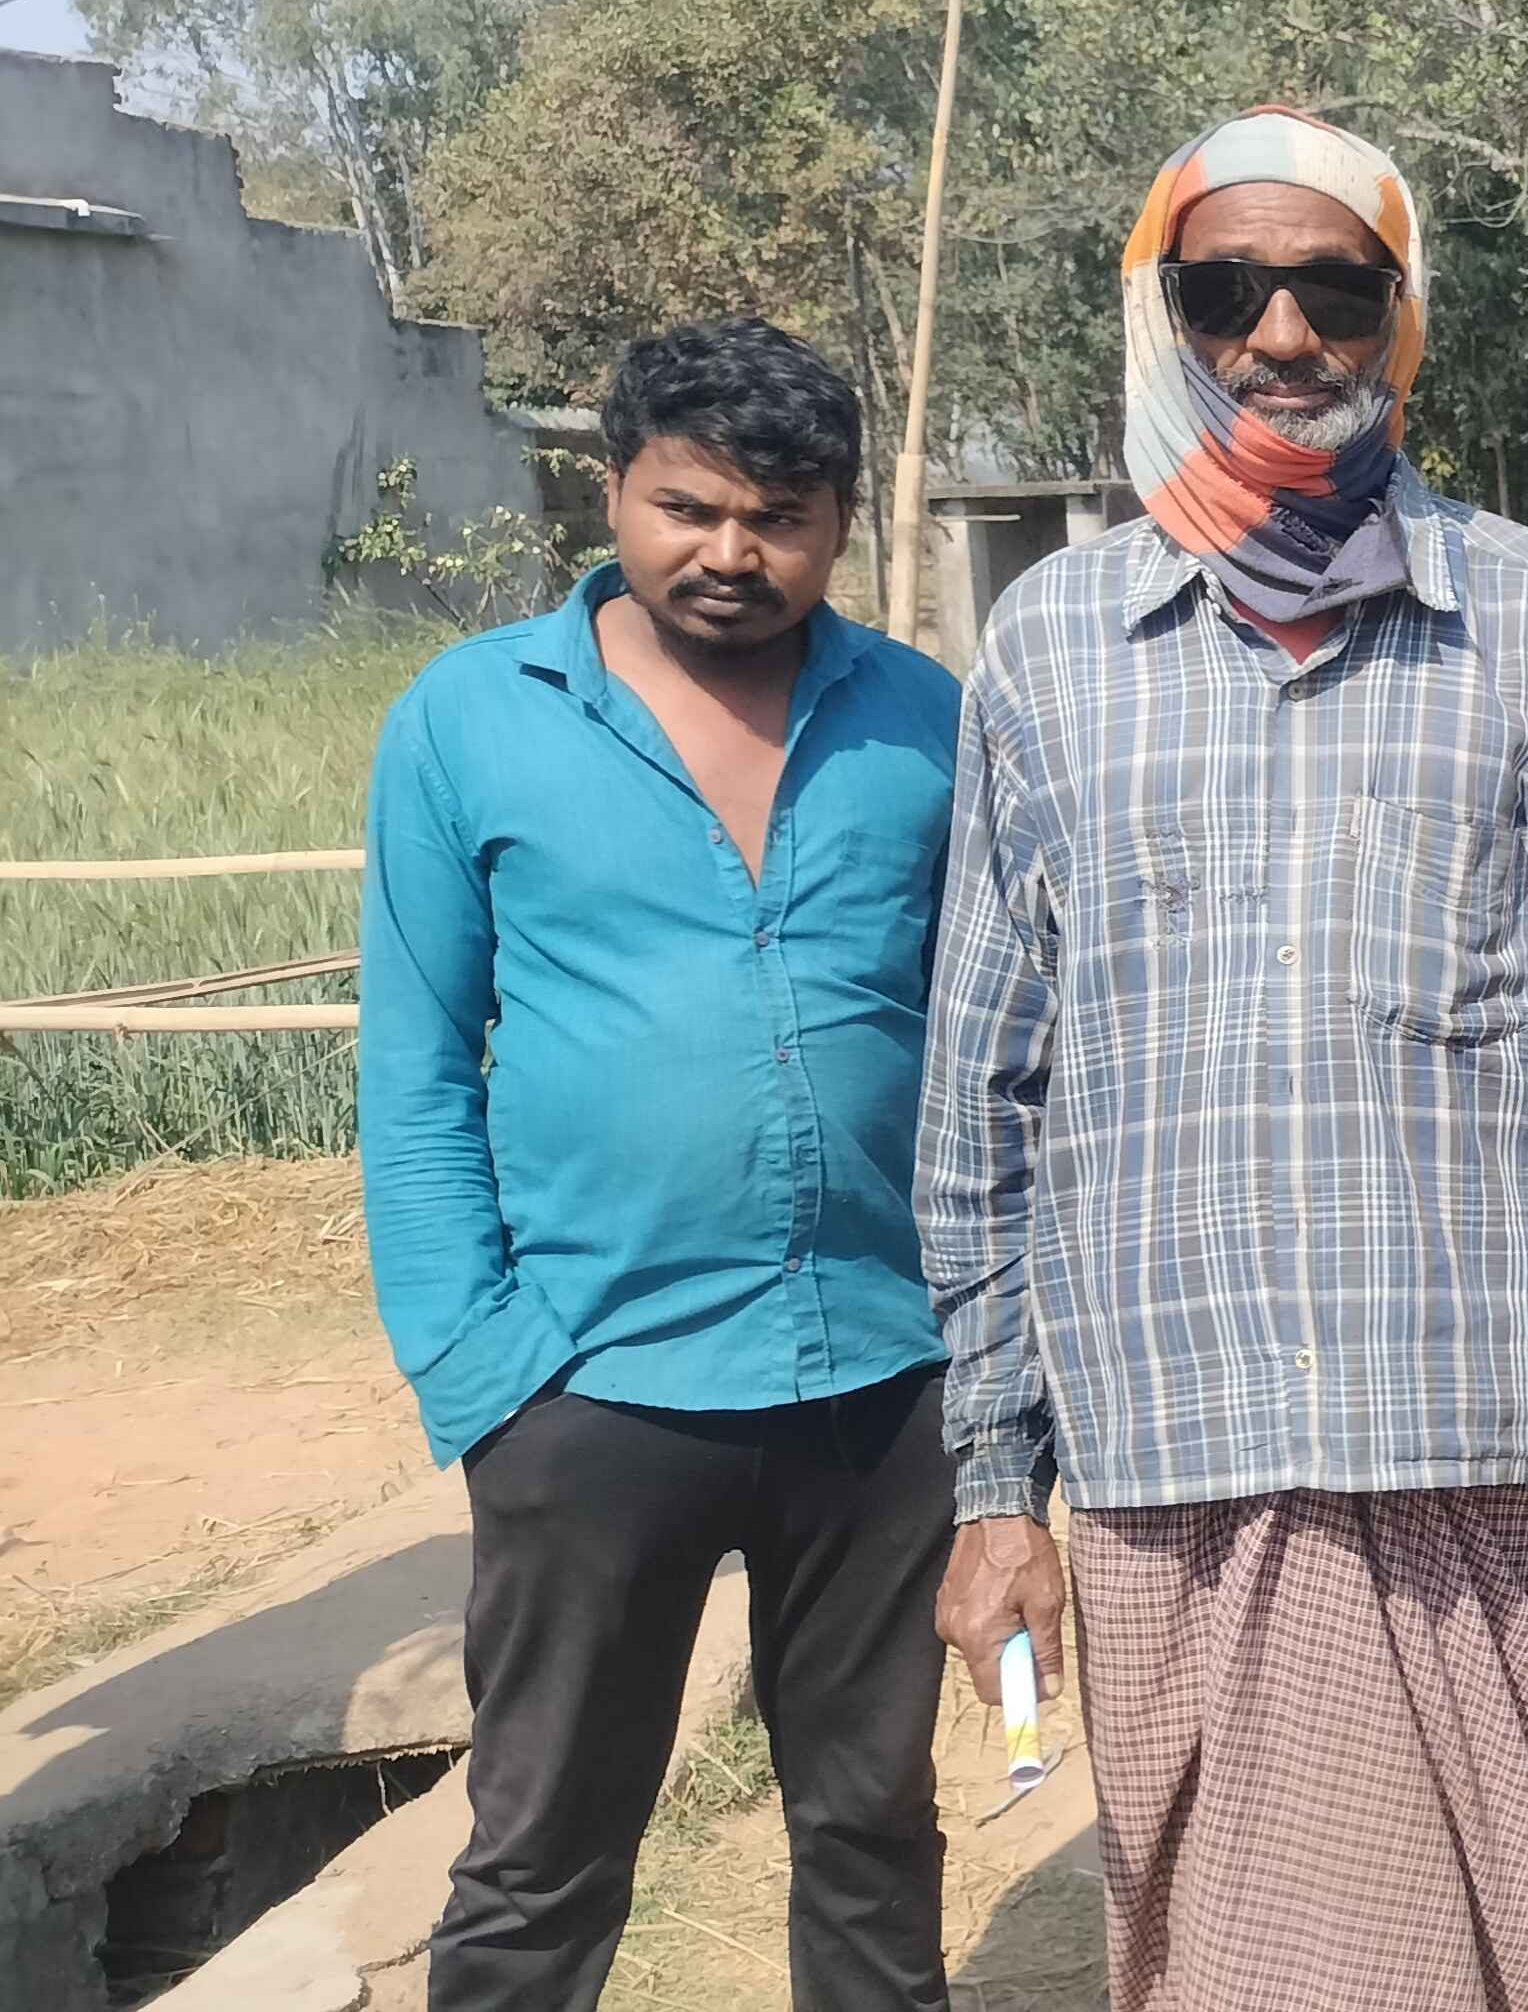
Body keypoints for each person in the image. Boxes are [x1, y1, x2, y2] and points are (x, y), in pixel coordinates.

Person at [916, 108, 1528, 2011]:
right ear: (1164, 316)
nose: (1283, 335)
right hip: (1165, 1456)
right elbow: (977, 1099)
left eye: (1335, 290)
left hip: (1481, 1447)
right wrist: (993, 1479)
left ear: (1398, 316)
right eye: (1229, 291)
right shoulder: (1049, 649)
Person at [358, 316, 960, 2012]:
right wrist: (485, 1375)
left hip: (883, 1379)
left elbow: (995, 1044)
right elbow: (415, 1071)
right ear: (613, 490)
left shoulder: (925, 723)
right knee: (543, 1852)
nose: (731, 554)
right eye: (688, 508)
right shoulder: (471, 720)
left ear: (840, 523)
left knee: (871, 1830)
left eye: (780, 518)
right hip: (591, 1381)